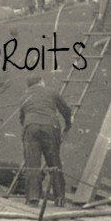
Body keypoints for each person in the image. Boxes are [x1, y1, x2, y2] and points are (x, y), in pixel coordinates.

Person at [19, 75, 72, 205]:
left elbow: (22, 118)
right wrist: (68, 124)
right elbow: (66, 110)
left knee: (32, 164)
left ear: (29, 86)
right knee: (54, 163)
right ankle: (59, 198)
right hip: (51, 127)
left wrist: (31, 128)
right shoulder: (51, 91)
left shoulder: (24, 97)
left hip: (30, 128)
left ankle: (33, 198)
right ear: (41, 81)